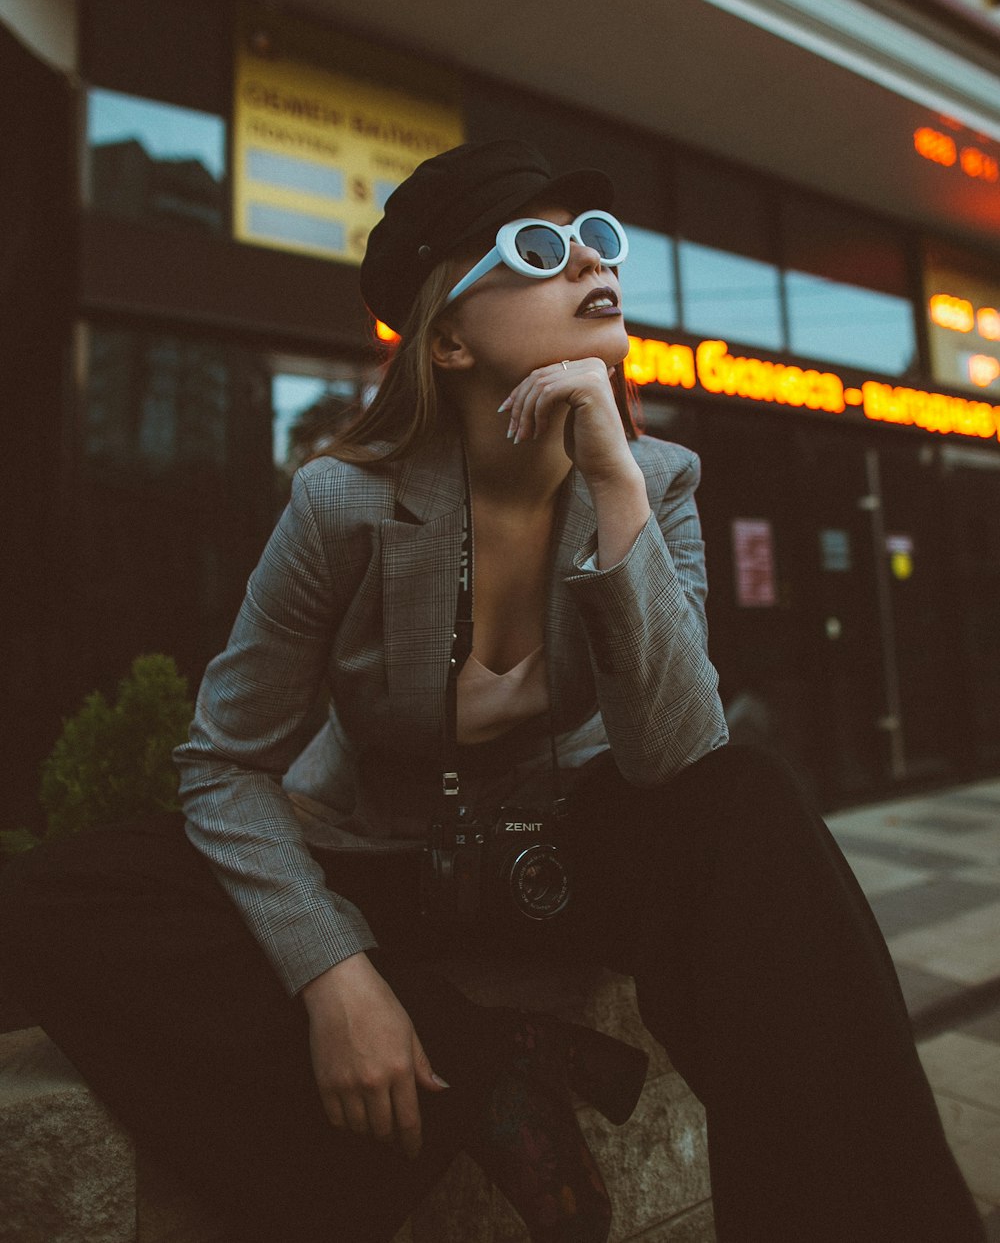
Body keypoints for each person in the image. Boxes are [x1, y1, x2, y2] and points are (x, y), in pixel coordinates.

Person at [0, 140, 984, 1243]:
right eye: (539, 247)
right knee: (58, 893)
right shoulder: (342, 505)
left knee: (749, 801)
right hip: (384, 862)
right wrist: (334, 972)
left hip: (559, 858)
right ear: (450, 335)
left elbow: (675, 756)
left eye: (600, 242)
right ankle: (480, 1066)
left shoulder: (660, 484)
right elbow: (223, 763)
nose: (589, 266)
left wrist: (612, 482)